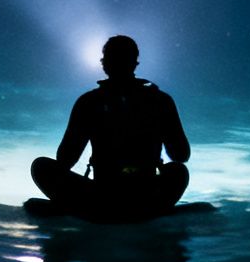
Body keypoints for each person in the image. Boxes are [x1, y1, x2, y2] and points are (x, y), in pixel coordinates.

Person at [29, 34, 191, 221]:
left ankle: (86, 209)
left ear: (104, 64)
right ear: (135, 63)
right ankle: (145, 210)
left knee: (41, 167)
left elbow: (65, 159)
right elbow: (181, 155)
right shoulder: (161, 100)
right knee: (178, 171)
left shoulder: (88, 102)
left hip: (101, 196)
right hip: (146, 194)